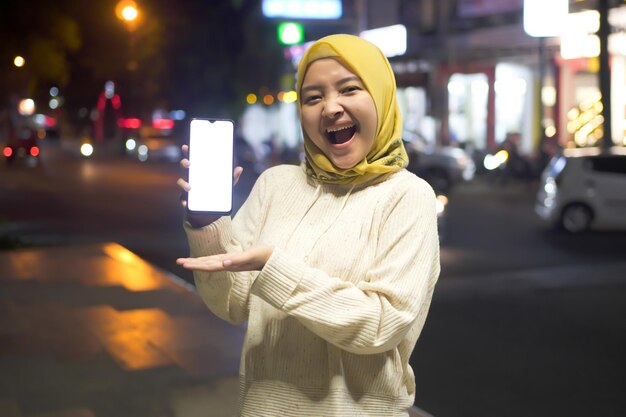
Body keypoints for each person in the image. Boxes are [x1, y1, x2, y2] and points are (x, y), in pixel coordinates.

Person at [176, 34, 440, 417]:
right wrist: (206, 227)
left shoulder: (408, 196)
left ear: (382, 97)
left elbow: (382, 324)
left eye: (349, 89)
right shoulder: (275, 184)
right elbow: (231, 304)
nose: (330, 108)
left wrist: (274, 267)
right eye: (313, 97)